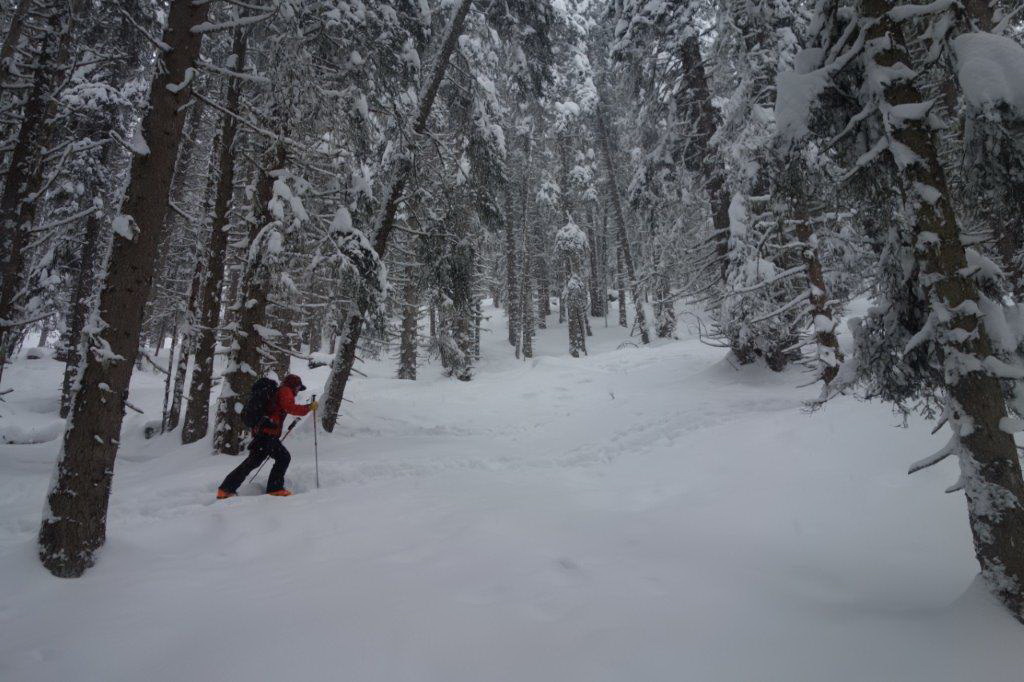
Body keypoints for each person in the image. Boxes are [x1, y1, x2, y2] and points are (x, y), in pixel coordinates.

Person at [216, 374, 319, 499]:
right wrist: (308, 407)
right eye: (298, 387)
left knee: (252, 462)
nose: (298, 391)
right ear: (293, 385)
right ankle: (275, 489)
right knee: (283, 457)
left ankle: (225, 489)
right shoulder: (285, 390)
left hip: (262, 433)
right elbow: (290, 407)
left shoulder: (278, 392)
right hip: (268, 434)